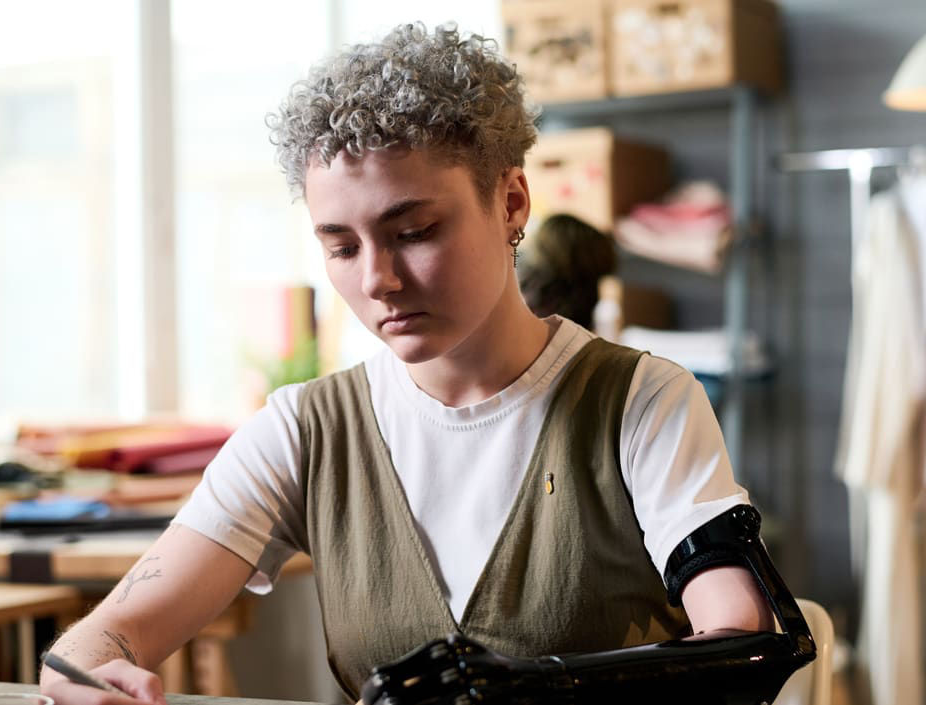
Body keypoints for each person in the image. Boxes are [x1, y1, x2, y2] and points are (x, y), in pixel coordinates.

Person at [40, 23, 799, 705]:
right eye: (340, 246)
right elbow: (96, 641)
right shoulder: (305, 430)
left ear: (511, 203)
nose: (376, 279)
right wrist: (88, 674)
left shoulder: (639, 401)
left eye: (413, 231)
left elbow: (740, 637)